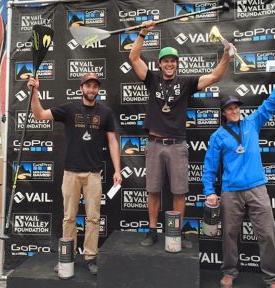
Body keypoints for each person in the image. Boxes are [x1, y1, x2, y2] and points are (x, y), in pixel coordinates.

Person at [129, 20, 234, 247]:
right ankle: (152, 230)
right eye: (166, 61)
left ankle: (174, 233)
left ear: (177, 64)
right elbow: (134, 58)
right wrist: (142, 34)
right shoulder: (152, 79)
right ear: (159, 64)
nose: (169, 64)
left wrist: (226, 55)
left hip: (177, 144)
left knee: (179, 192)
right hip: (155, 143)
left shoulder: (186, 82)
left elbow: (215, 77)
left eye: (173, 61)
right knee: (153, 190)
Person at [202, 62, 275, 288]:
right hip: (231, 192)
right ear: (223, 112)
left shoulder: (252, 122)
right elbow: (210, 167)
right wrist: (210, 192)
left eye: (236, 107)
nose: (234, 111)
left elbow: (270, 104)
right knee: (229, 235)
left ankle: (272, 278)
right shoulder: (218, 136)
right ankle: (230, 272)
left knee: (268, 234)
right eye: (229, 108)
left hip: (257, 188)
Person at [28, 72, 122, 275]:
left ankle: (90, 257)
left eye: (95, 86)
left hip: (93, 175)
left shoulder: (105, 113)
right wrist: (35, 93)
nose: (91, 89)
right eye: (88, 86)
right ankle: (66, 257)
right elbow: (39, 115)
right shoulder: (69, 109)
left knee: (93, 219)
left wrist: (117, 169)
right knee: (69, 218)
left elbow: (113, 141)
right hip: (71, 173)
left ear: (98, 89)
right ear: (81, 88)